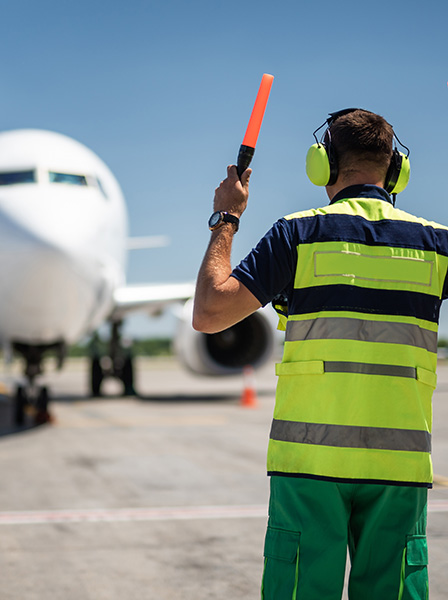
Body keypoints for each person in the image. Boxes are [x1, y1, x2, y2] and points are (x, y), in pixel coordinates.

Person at [193, 108, 447, 599]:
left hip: (308, 463)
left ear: (323, 165)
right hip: (399, 468)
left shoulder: (298, 234)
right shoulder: (436, 245)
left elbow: (208, 312)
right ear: (396, 169)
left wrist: (227, 218)